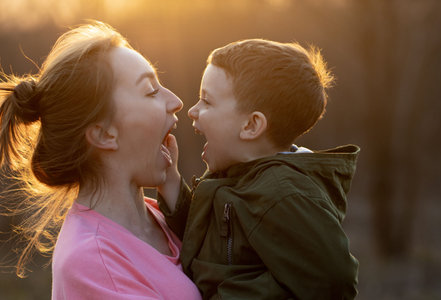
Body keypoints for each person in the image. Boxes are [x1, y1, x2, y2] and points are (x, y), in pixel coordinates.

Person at [0, 21, 201, 299]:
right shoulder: (93, 261)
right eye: (151, 91)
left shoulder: (163, 216)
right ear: (104, 134)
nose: (176, 101)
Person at [158, 39, 360, 299]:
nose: (193, 111)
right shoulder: (236, 175)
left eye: (206, 101)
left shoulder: (284, 194)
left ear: (251, 126)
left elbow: (334, 281)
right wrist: (170, 180)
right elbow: (205, 240)